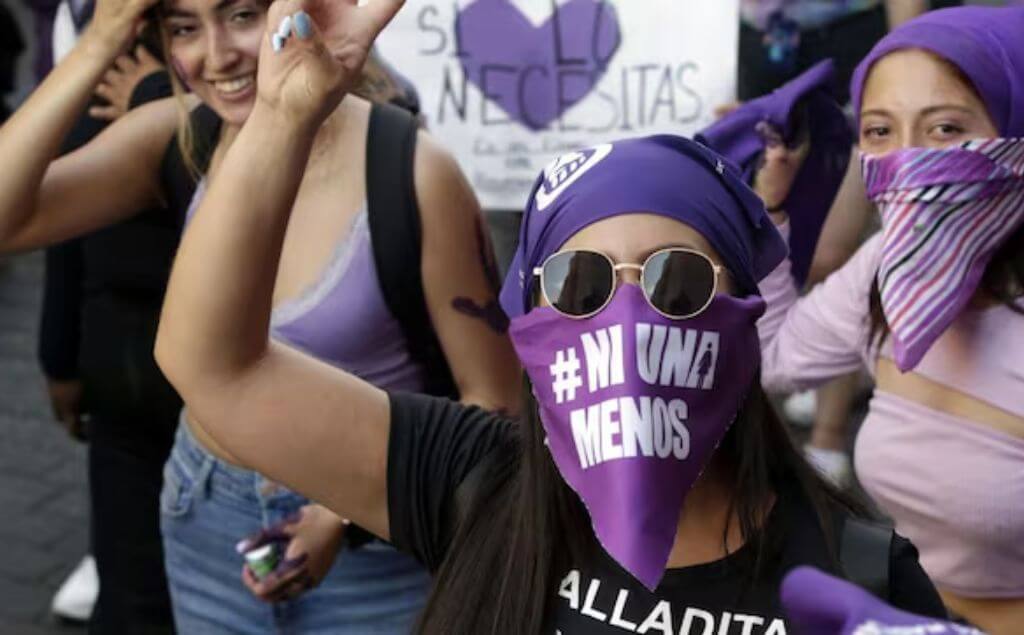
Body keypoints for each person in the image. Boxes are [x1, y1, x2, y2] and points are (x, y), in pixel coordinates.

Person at [152, 3, 945, 633]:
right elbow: (214, 366)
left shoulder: (861, 577)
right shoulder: (475, 480)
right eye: (578, 283)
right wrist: (286, 115)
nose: (627, 318)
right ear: (529, 321)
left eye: (676, 281)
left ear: (744, 316)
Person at [0, 0, 519, 632]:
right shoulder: (182, 136)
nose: (216, 57)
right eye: (184, 28)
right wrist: (100, 38)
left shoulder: (411, 171)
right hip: (207, 518)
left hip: (379, 543)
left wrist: (345, 516)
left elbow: (496, 403)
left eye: (241, 15)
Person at [757, 6, 1024, 633]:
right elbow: (772, 361)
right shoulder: (887, 267)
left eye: (945, 128)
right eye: (879, 132)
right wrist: (767, 211)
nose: (908, 163)